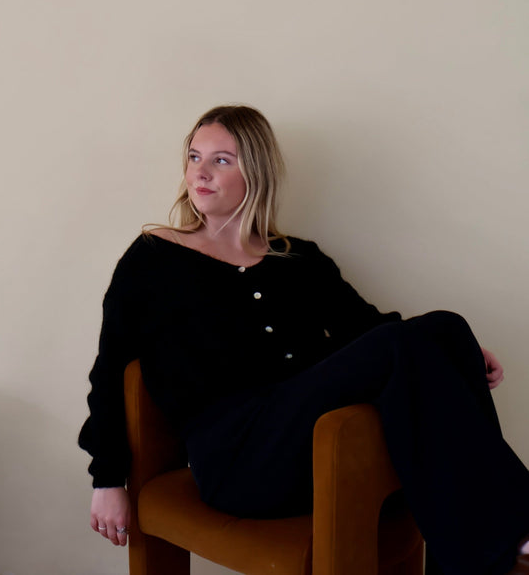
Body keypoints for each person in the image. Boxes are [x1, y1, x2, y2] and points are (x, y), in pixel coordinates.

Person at [79, 105, 529, 574]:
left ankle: (481, 550)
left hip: (313, 448)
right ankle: (513, 534)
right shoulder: (153, 257)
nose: (200, 172)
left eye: (221, 160)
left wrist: (452, 351)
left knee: (448, 327)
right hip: (237, 461)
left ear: (256, 171)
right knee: (422, 340)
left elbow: (368, 327)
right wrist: (107, 480)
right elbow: (110, 370)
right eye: (195, 157)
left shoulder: (298, 259)